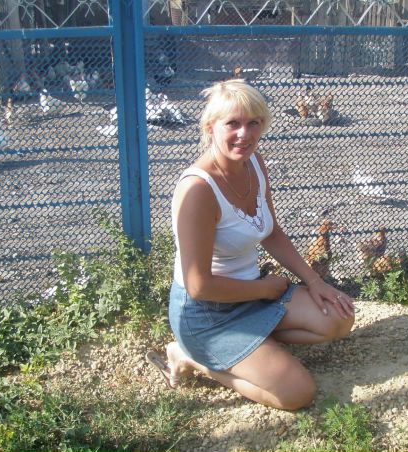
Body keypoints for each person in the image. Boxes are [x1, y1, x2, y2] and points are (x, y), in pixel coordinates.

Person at [148, 79, 355, 410]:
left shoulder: (254, 163)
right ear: (211, 127)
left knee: (339, 319)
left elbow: (271, 232)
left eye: (254, 123)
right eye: (233, 123)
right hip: (207, 315)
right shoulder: (198, 190)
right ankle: (190, 356)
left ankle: (254, 348)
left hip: (253, 295)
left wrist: (314, 281)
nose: (244, 134)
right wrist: (265, 290)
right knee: (298, 393)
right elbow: (199, 286)